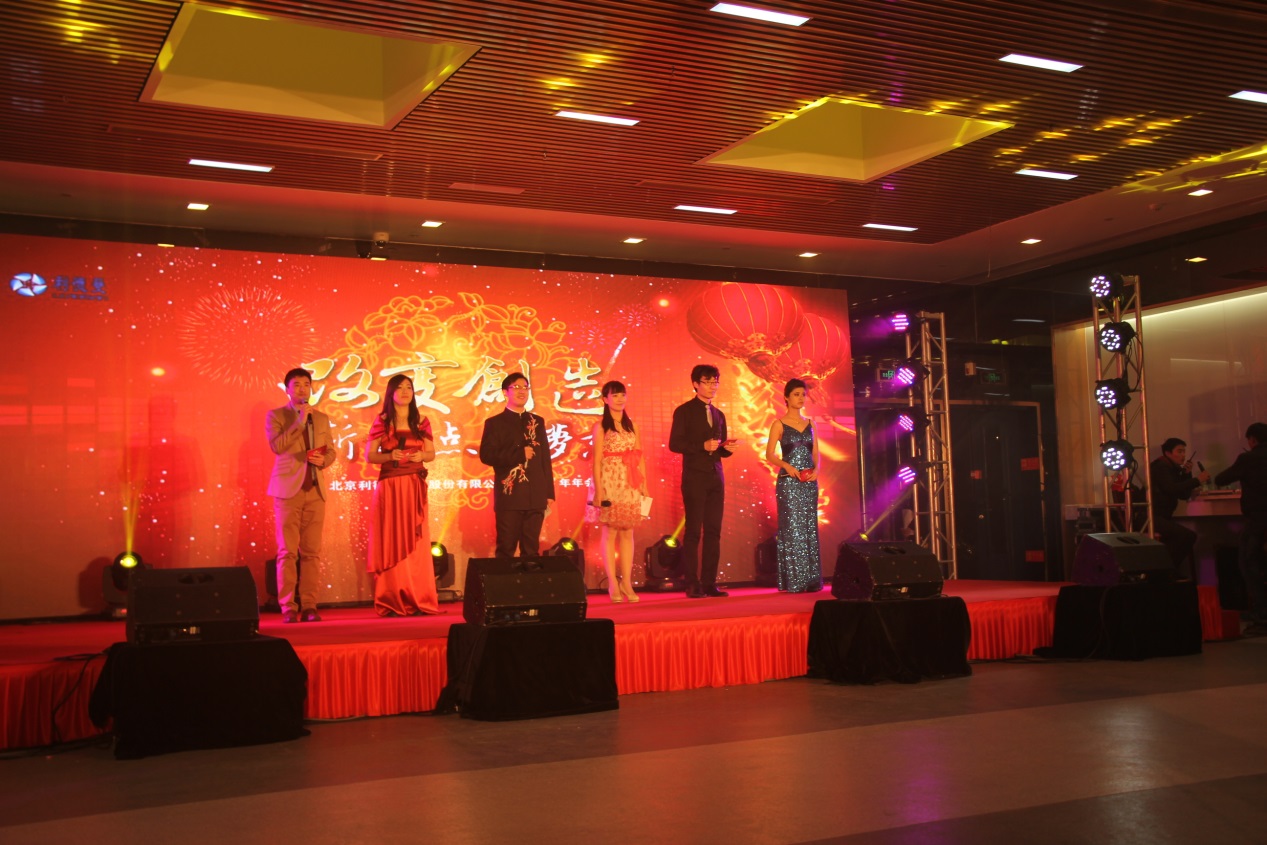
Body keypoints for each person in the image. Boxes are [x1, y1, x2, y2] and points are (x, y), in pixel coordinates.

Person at [266, 367, 338, 623]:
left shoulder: (321, 418)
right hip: (288, 492)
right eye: (296, 384)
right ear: (287, 389)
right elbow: (277, 446)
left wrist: (323, 460)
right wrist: (298, 422)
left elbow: (331, 451)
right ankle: (288, 607)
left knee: (311, 552)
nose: (302, 389)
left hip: (315, 489)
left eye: (306, 384)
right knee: (287, 552)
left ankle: (309, 605)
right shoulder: (276, 415)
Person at [364, 374, 440, 617]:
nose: (406, 391)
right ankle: (392, 597)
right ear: (391, 393)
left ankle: (418, 597)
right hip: (391, 487)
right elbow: (370, 456)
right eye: (400, 387)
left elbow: (431, 454)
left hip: (414, 485)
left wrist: (422, 456)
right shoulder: (383, 421)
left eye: (409, 387)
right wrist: (389, 456)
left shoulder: (422, 421)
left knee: (416, 542)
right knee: (392, 539)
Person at [669, 364, 735, 598]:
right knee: (694, 531)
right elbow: (675, 444)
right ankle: (692, 583)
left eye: (715, 381)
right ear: (695, 384)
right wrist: (701, 446)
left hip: (716, 477)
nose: (712, 386)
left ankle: (709, 583)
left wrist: (727, 449)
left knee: (714, 531)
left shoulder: (719, 414)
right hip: (694, 477)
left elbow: (719, 448)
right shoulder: (684, 411)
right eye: (707, 382)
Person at [479, 372, 556, 557]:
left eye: (525, 387)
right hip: (510, 496)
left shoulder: (537, 422)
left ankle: (529, 577)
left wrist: (548, 492)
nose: (522, 391)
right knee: (506, 548)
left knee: (531, 550)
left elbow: (545, 458)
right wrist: (518, 455)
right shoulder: (495, 423)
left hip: (535, 495)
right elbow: (487, 456)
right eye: (516, 387)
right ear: (505, 392)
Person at [592, 381, 649, 603]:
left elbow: (639, 456)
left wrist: (644, 485)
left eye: (622, 395)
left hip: (631, 481)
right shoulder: (601, 427)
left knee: (628, 531)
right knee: (611, 531)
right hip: (609, 480)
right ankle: (612, 583)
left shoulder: (633, 426)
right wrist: (599, 491)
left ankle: (626, 582)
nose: (619, 399)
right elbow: (597, 461)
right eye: (614, 395)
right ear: (605, 399)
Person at [764, 378, 822, 592]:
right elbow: (770, 454)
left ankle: (811, 580)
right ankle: (794, 581)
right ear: (786, 397)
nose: (800, 398)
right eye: (796, 394)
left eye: (803, 394)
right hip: (788, 484)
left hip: (809, 483)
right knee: (791, 528)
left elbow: (815, 453)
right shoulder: (779, 424)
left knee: (809, 527)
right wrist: (786, 466)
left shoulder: (811, 424)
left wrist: (817, 470)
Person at [1215, 422, 1267, 633]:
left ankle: (1262, 613)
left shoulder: (1248, 458)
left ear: (1252, 440)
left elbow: (1221, 479)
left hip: (1258, 519)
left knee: (1249, 563)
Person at [1149, 437, 1210, 580]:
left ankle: (1165, 571)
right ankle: (1163, 571)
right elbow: (1171, 488)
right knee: (1187, 536)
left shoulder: (1172, 469)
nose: (1183, 455)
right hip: (1151, 516)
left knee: (1183, 537)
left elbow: (1183, 495)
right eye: (1179, 451)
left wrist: (1187, 474)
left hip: (1162, 517)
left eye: (1184, 452)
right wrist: (1197, 480)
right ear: (1168, 453)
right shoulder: (1161, 467)